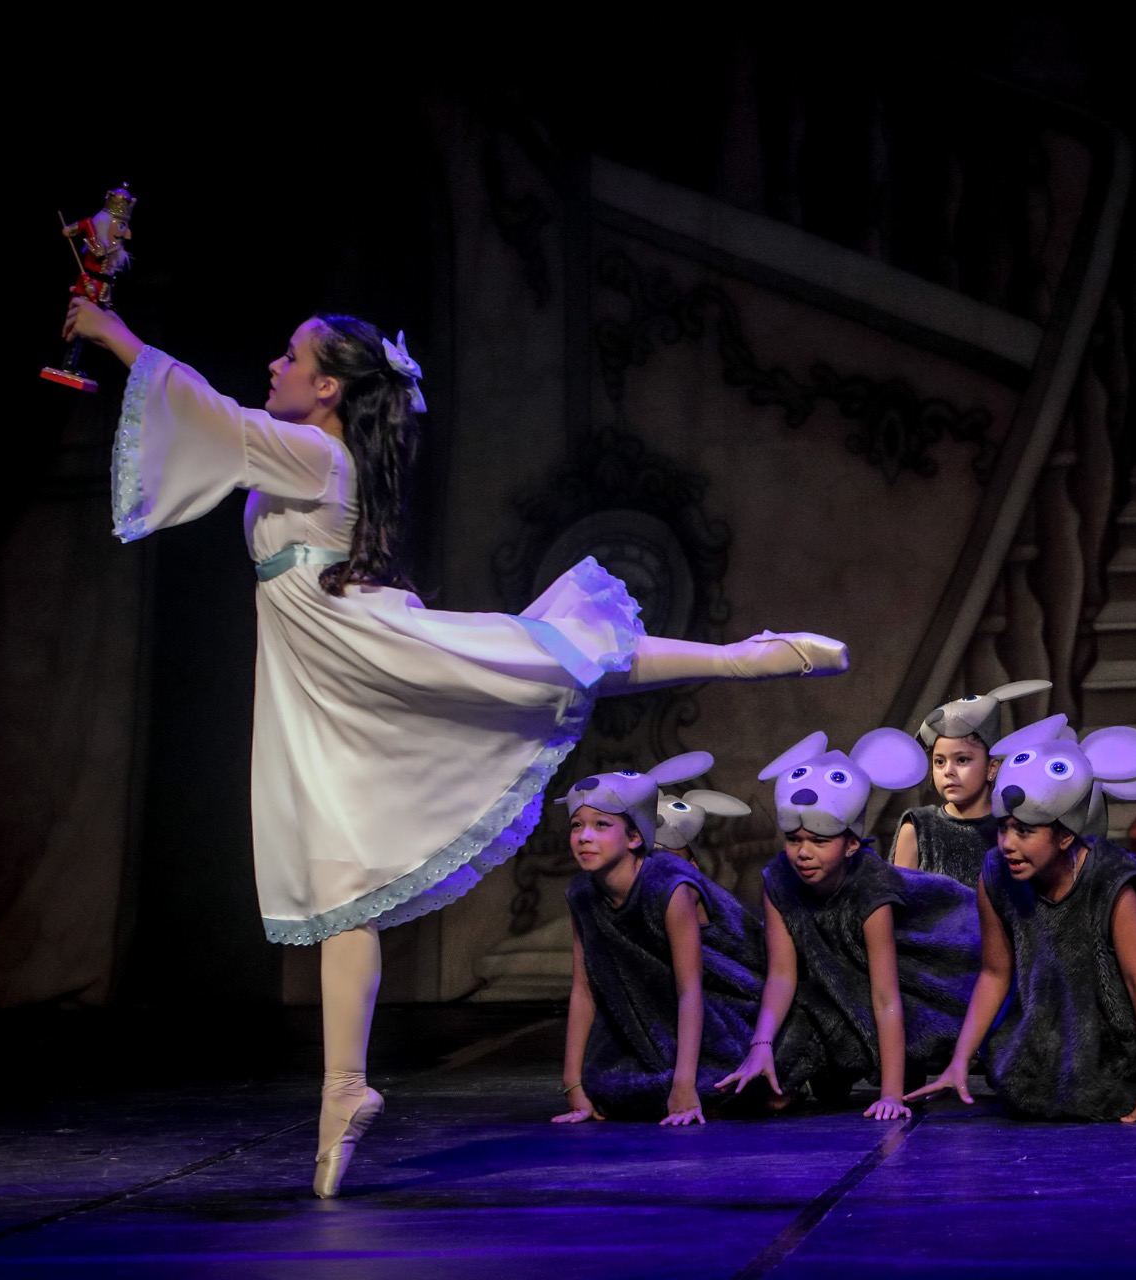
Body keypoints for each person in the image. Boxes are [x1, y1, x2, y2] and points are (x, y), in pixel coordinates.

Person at [63, 299, 848, 1194]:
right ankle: (344, 1089)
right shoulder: (310, 453)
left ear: (330, 387)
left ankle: (746, 657)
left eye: (291, 356)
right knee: (344, 884)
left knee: (549, 659)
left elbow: (212, 417)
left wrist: (114, 334)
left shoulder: (314, 452)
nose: (273, 366)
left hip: (356, 652)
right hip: (324, 676)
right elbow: (225, 434)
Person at [908, 716, 1136, 1123]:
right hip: (1061, 1010)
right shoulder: (995, 873)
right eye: (1004, 828)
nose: (1008, 844)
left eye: (1025, 832)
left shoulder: (1110, 881)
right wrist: (959, 1062)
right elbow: (995, 973)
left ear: (1065, 836)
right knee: (1031, 1088)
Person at [719, 729, 979, 1118]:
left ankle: (897, 1066)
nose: (803, 853)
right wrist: (761, 1045)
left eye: (819, 841)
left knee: (913, 1035)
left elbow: (885, 994)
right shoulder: (779, 879)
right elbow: (782, 975)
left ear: (851, 844)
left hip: (897, 988)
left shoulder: (870, 886)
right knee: (755, 1092)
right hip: (825, 995)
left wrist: (890, 1095)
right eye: (794, 839)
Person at [553, 757, 817, 1124]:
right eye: (576, 825)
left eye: (601, 825)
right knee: (609, 1088)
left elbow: (690, 989)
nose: (584, 837)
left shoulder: (669, 885)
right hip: (650, 1013)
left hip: (724, 1002)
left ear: (634, 837)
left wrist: (683, 1085)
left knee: (724, 1083)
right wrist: (573, 1084)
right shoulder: (582, 893)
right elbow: (584, 988)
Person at [891, 681, 1050, 886]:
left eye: (962, 760)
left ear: (992, 768)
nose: (948, 771)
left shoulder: (1012, 829)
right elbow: (899, 898)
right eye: (939, 762)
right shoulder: (919, 827)